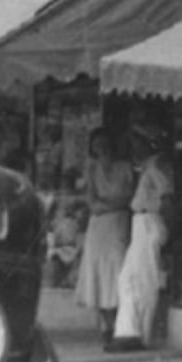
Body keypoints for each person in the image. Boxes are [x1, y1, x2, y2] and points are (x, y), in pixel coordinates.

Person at [113, 132, 175, 351]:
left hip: (149, 220)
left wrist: (165, 226)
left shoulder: (156, 167)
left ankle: (140, 334)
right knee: (128, 279)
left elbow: (166, 196)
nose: (134, 149)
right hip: (141, 221)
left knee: (143, 280)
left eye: (138, 144)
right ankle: (128, 332)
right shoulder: (147, 167)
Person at [75, 125, 133, 339]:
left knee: (118, 269)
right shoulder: (91, 168)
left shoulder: (125, 167)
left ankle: (119, 322)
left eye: (105, 144)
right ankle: (106, 325)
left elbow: (129, 198)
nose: (102, 148)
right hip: (98, 227)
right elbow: (92, 202)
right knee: (97, 274)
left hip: (117, 225)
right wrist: (112, 204)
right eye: (97, 145)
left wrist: (107, 204)